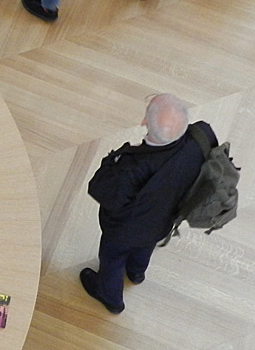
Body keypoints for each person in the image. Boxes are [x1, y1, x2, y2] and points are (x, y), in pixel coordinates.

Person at [81, 93, 217, 313]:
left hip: (124, 232)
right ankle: (136, 272)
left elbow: (102, 191)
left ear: (144, 123)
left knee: (112, 259)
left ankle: (110, 297)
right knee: (145, 246)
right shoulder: (201, 139)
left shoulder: (130, 167)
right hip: (164, 221)